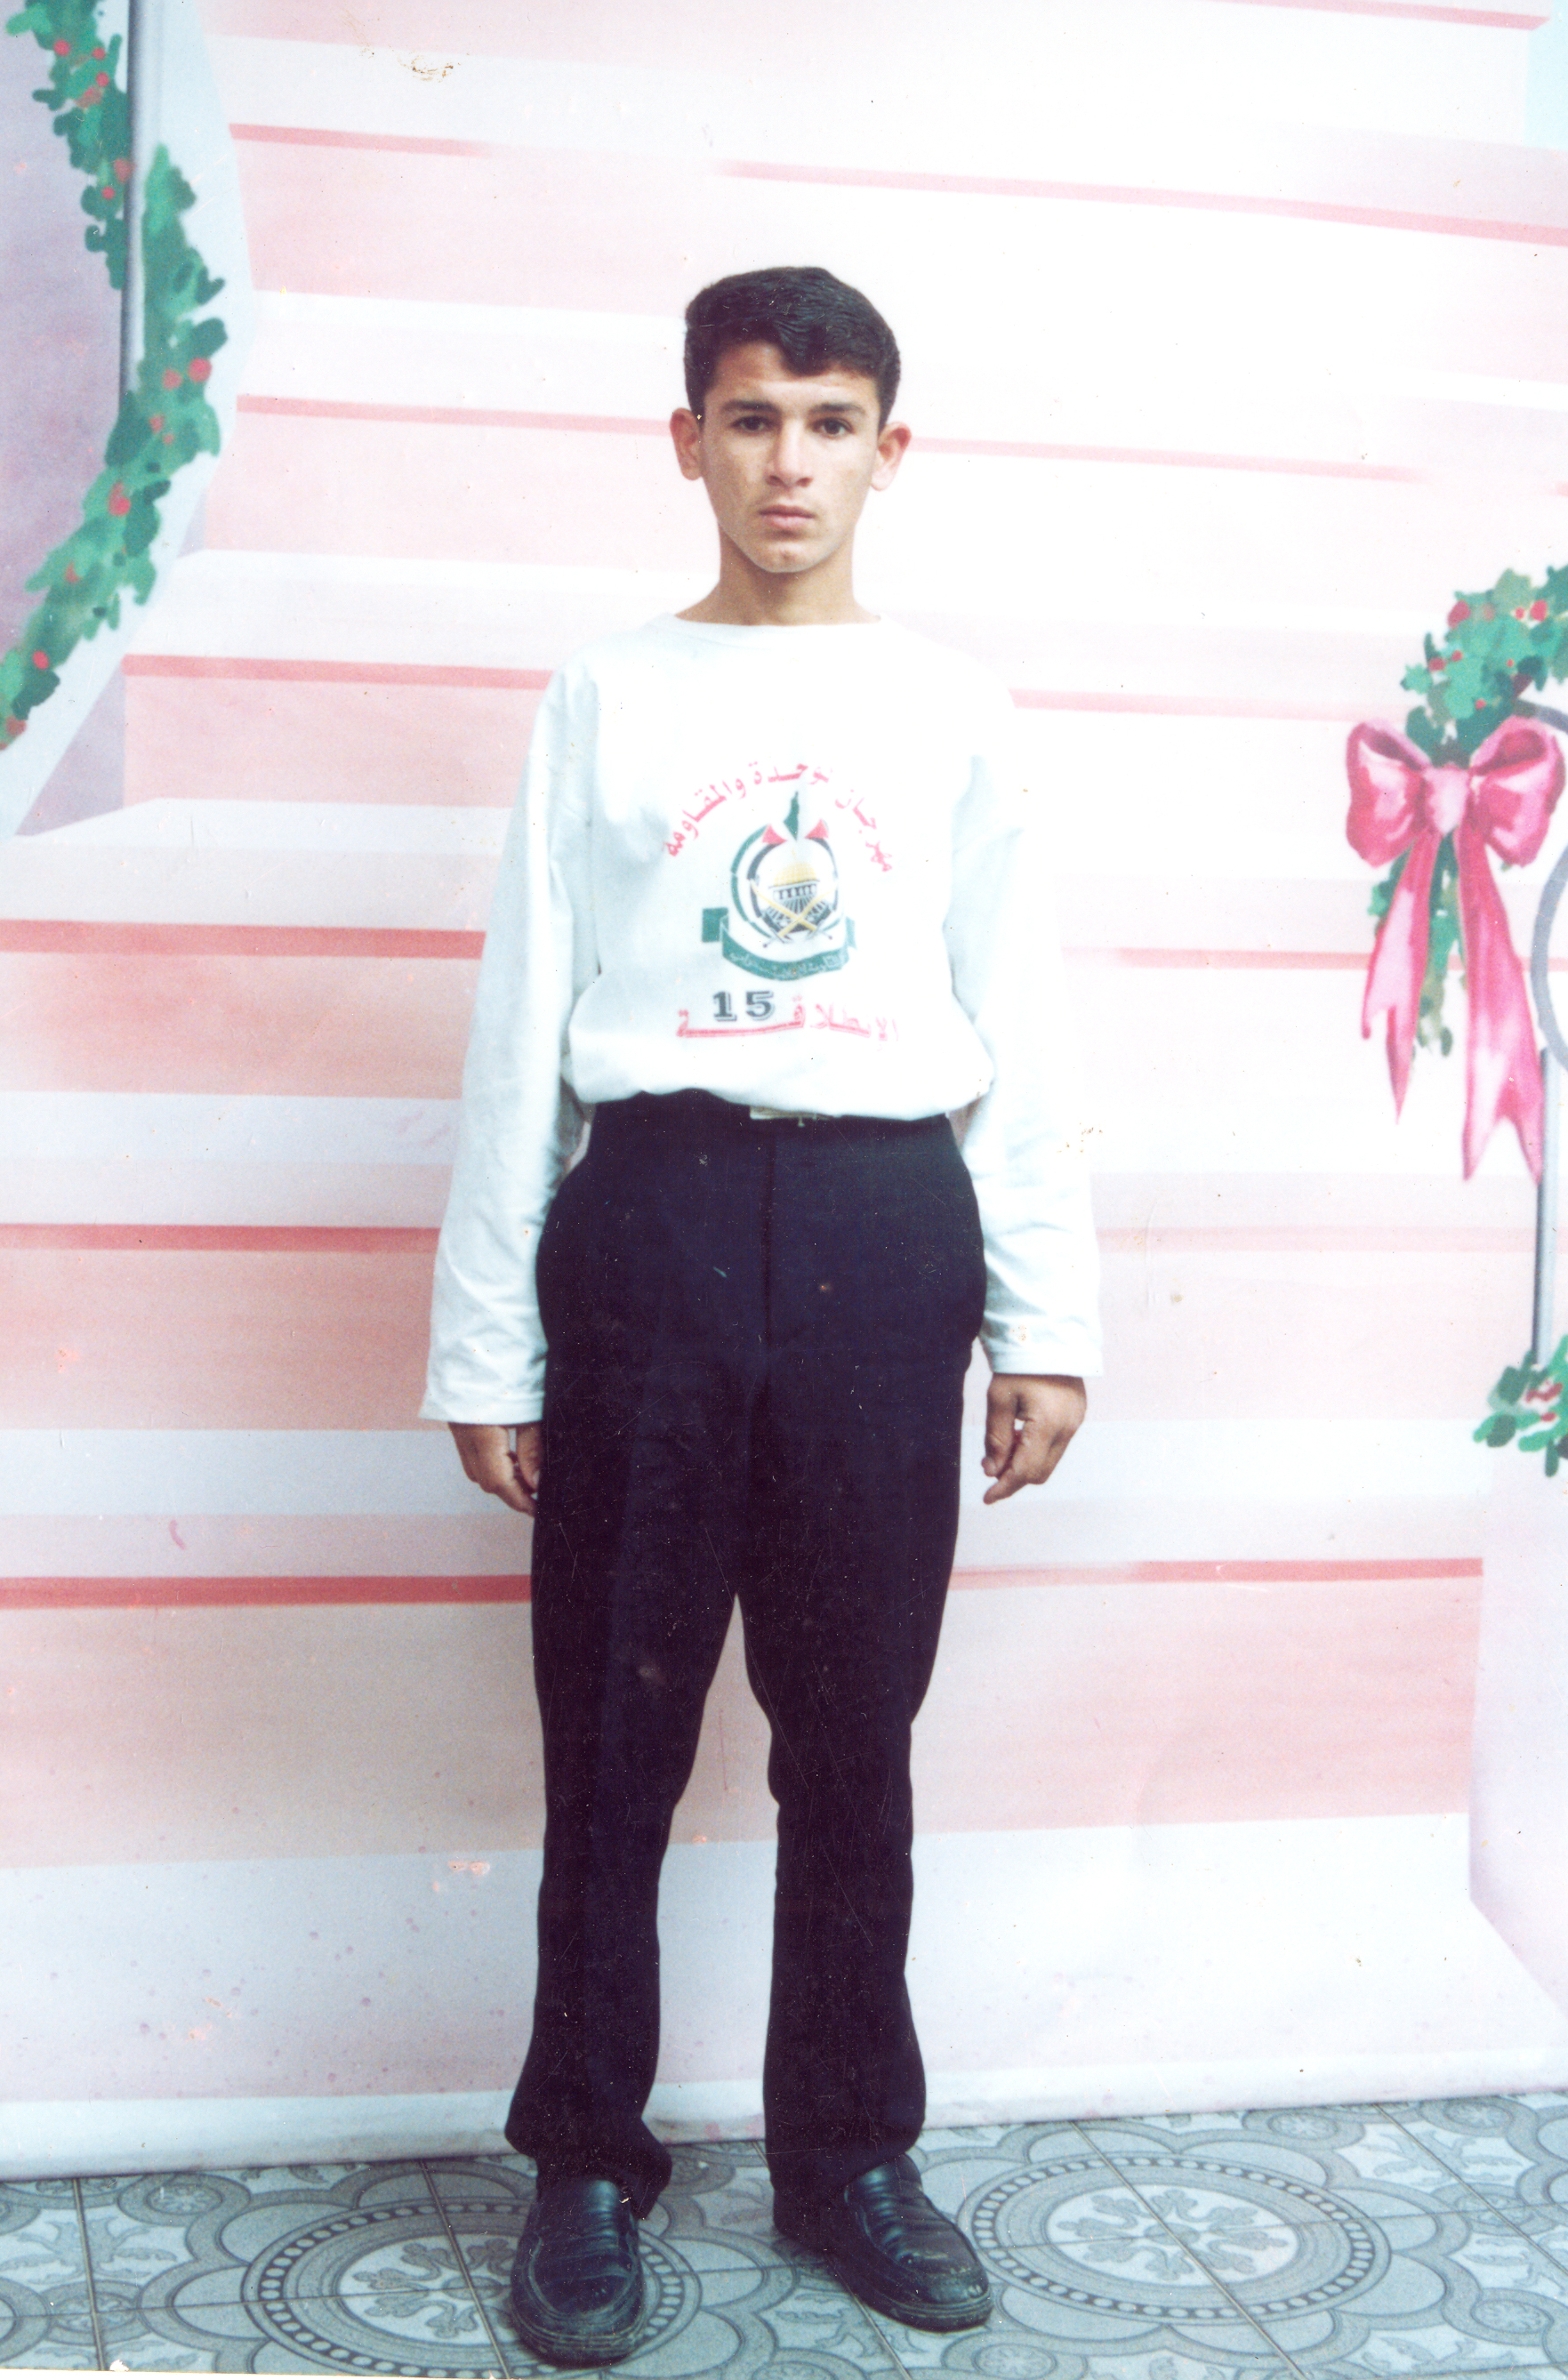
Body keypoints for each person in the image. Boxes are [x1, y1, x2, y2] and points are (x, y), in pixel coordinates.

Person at [422, 263, 1100, 2367]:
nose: (787, 462)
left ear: (889, 449)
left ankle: (848, 2153)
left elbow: (1021, 1024)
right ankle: (582, 2163)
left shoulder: (954, 705)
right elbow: (525, 1022)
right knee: (614, 1736)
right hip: (658, 1219)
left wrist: (1045, 1318)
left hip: (888, 1230)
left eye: (827, 423)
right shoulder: (605, 695)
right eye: (748, 417)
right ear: (687, 440)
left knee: (854, 1737)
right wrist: (484, 1342)